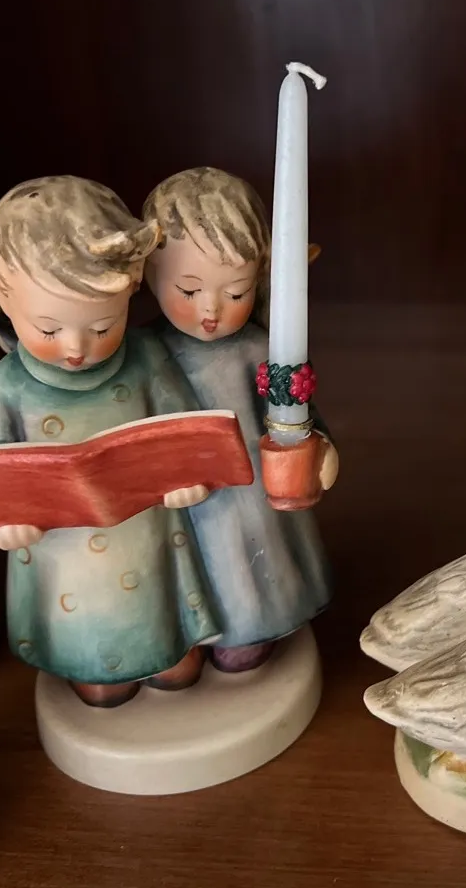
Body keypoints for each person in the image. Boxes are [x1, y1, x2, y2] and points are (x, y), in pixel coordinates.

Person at [0, 176, 216, 707]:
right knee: (98, 669)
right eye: (49, 328)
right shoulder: (9, 387)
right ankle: (94, 663)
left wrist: (186, 476)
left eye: (103, 326)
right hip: (66, 553)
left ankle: (165, 648)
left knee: (168, 641)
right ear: (5, 298)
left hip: (145, 530)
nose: (77, 347)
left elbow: (186, 426)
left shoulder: (146, 359)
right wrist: (7, 519)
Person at [143, 167, 336, 673]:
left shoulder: (259, 349)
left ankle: (249, 630)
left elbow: (293, 411)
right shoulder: (143, 355)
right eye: (188, 290)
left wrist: (319, 447)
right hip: (173, 502)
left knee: (244, 573)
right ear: (149, 273)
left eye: (235, 293)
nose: (211, 310)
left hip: (246, 499)